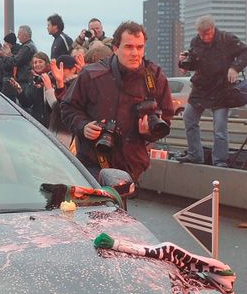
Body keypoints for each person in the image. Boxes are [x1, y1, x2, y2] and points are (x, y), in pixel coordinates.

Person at [60, 21, 174, 180]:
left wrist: (149, 132)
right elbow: (67, 108)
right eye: (128, 47)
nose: (135, 53)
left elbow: (166, 120)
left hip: (132, 164)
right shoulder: (92, 75)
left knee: (118, 204)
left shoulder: (156, 78)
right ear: (115, 48)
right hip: (94, 162)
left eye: (140, 47)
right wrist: (83, 126)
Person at [176, 15, 247, 166]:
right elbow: (194, 63)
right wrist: (183, 63)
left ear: (213, 29)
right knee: (189, 118)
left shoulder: (227, 39)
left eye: (208, 33)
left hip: (220, 89)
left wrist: (235, 68)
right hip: (201, 88)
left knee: (219, 127)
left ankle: (220, 161)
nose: (205, 37)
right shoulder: (195, 41)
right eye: (201, 34)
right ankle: (195, 155)